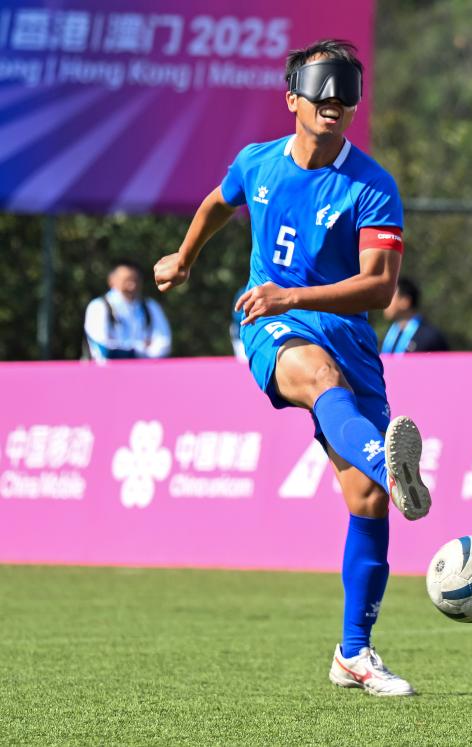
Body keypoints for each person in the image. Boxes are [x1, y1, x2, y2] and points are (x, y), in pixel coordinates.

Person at [153, 39, 431, 697]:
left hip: (343, 331)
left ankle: (353, 654)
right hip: (269, 322)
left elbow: (379, 288)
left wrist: (297, 295)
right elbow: (218, 203)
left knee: (367, 502)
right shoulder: (257, 162)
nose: (335, 103)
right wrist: (184, 257)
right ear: (292, 99)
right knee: (319, 379)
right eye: (321, 90)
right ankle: (386, 462)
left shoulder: (372, 185)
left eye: (346, 93)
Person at [83, 259, 171, 361]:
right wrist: (140, 348)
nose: (132, 286)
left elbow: (163, 345)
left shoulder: (151, 307)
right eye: (126, 280)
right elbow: (102, 348)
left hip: (144, 370)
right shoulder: (98, 306)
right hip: (106, 370)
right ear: (112, 281)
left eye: (136, 280)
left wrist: (121, 347)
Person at [380, 277, 449, 353]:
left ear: (405, 301)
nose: (384, 302)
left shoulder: (430, 338)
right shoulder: (390, 335)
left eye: (390, 297)